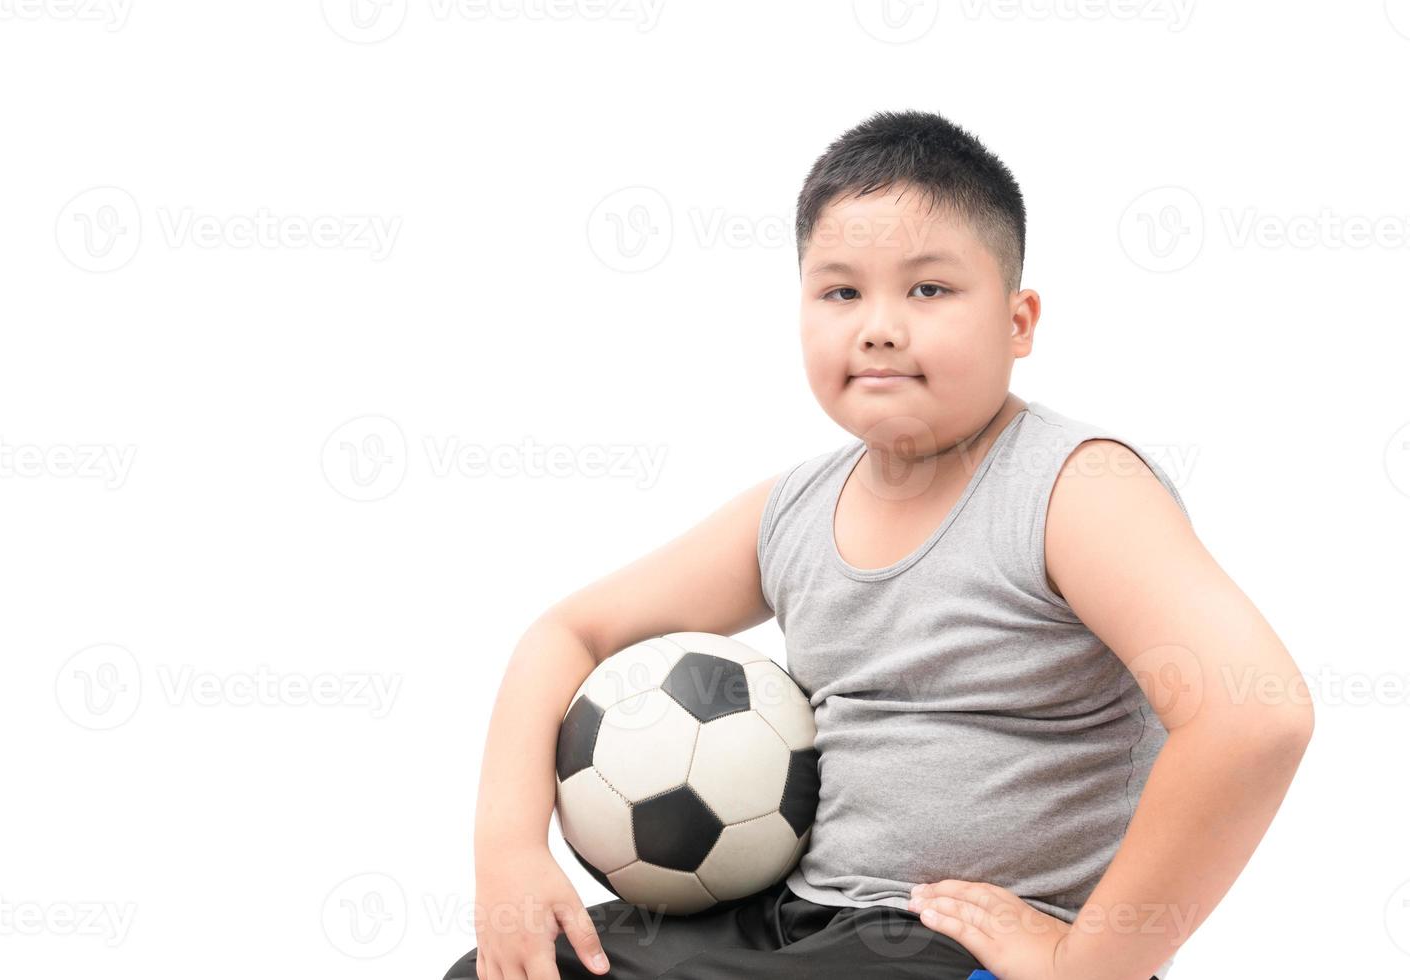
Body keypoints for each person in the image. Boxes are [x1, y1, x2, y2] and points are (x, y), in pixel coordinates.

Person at [444, 109, 1314, 980]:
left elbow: (1255, 714)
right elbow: (571, 634)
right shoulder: (792, 510)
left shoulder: (1074, 490)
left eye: (929, 290)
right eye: (841, 292)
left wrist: (1089, 963)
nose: (880, 325)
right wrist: (508, 848)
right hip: (804, 920)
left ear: (1018, 322)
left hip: (946, 941)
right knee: (507, 970)